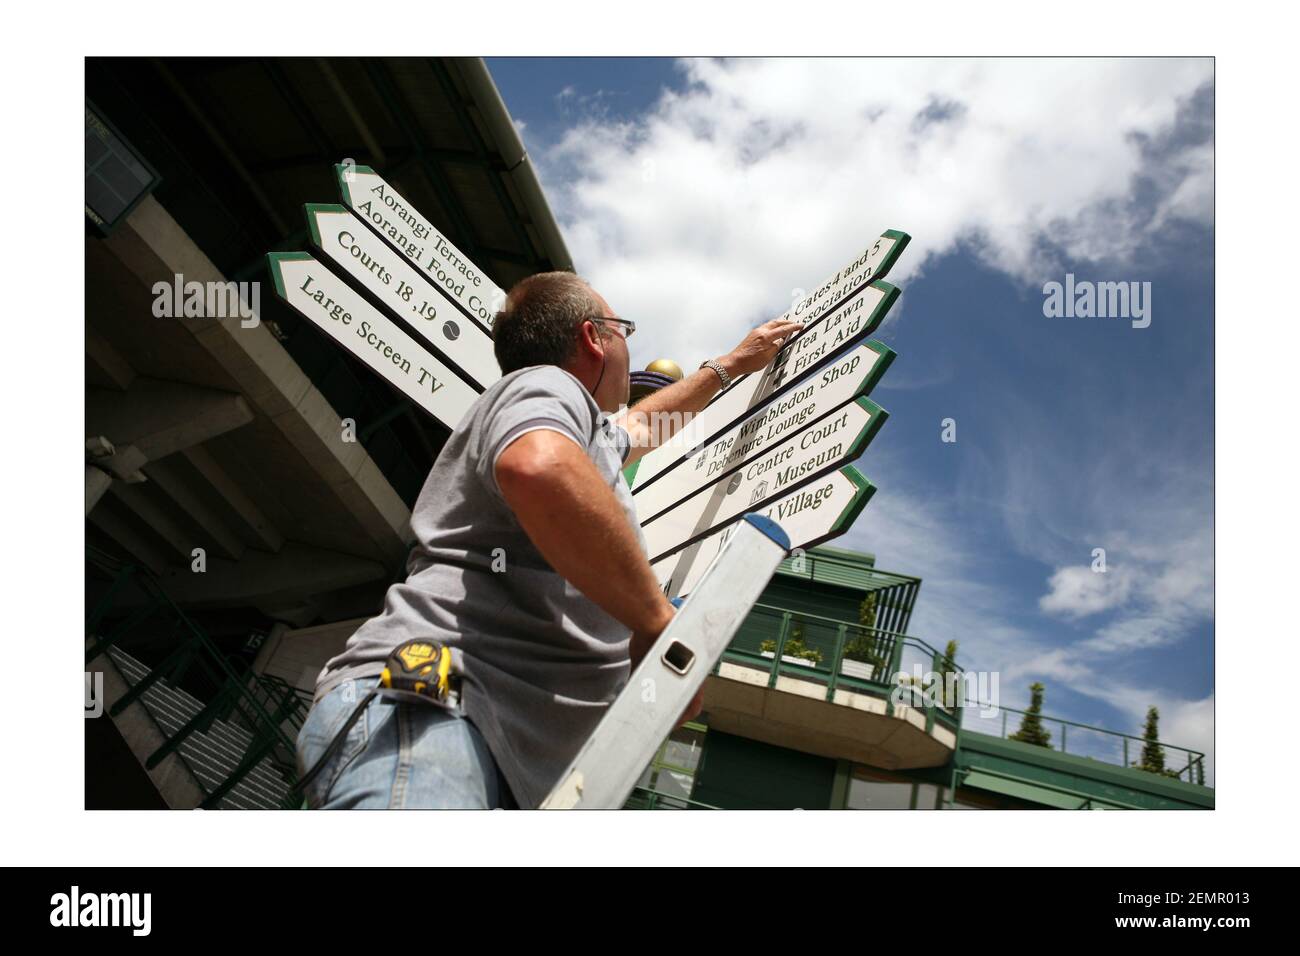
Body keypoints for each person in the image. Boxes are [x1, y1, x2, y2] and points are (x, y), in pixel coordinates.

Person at [295, 271, 802, 808]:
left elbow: (642, 427)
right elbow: (537, 467)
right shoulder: (548, 385)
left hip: (480, 744)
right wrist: (655, 621)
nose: (632, 347)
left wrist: (730, 365)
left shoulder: (588, 434)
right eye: (624, 329)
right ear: (592, 337)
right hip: (435, 717)